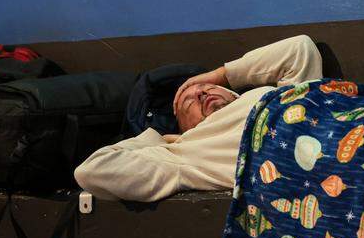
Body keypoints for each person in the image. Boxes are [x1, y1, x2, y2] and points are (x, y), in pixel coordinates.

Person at [73, 35, 323, 202]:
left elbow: (300, 49)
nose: (201, 91)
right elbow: (93, 170)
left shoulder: (279, 94)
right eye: (188, 102)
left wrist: (222, 75)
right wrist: (163, 140)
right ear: (185, 127)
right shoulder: (186, 153)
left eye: (206, 87)